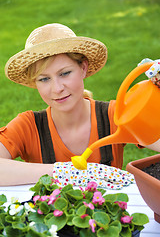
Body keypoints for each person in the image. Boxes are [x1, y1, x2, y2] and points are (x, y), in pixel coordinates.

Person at [0, 23, 159, 186]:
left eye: (65, 73)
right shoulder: (29, 127)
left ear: (83, 68)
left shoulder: (115, 115)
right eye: (44, 79)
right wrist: (62, 172)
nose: (57, 89)